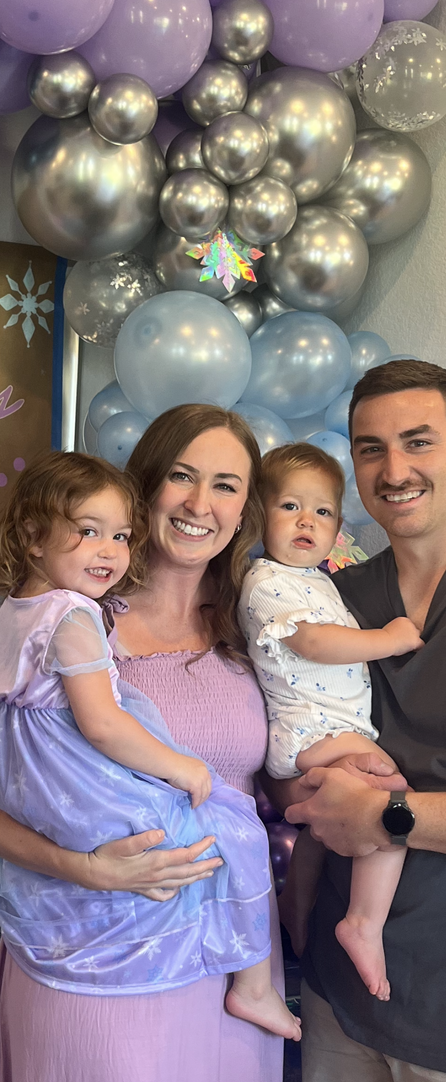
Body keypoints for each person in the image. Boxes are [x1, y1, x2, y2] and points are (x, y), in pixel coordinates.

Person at [0, 404, 287, 1082]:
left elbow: (287, 766)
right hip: (93, 947)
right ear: (144, 485)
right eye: (181, 476)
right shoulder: (65, 622)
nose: (199, 503)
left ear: (245, 509)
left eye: (225, 485)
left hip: (230, 950)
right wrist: (83, 869)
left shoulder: (255, 626)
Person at [266, 359, 446, 1082]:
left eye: (418, 441)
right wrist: (301, 793)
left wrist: (385, 815)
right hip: (336, 1001)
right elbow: (280, 739)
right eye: (371, 449)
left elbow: (370, 812)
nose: (394, 470)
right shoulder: (331, 597)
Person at [238, 442, 421, 1001]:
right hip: (310, 729)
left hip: (330, 728)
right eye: (290, 506)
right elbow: (315, 643)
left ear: (338, 527)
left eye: (321, 512)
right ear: (259, 516)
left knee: (326, 824)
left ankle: (297, 899)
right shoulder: (265, 582)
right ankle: (363, 921)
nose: (306, 522)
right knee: (391, 794)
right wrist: (388, 639)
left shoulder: (318, 581)